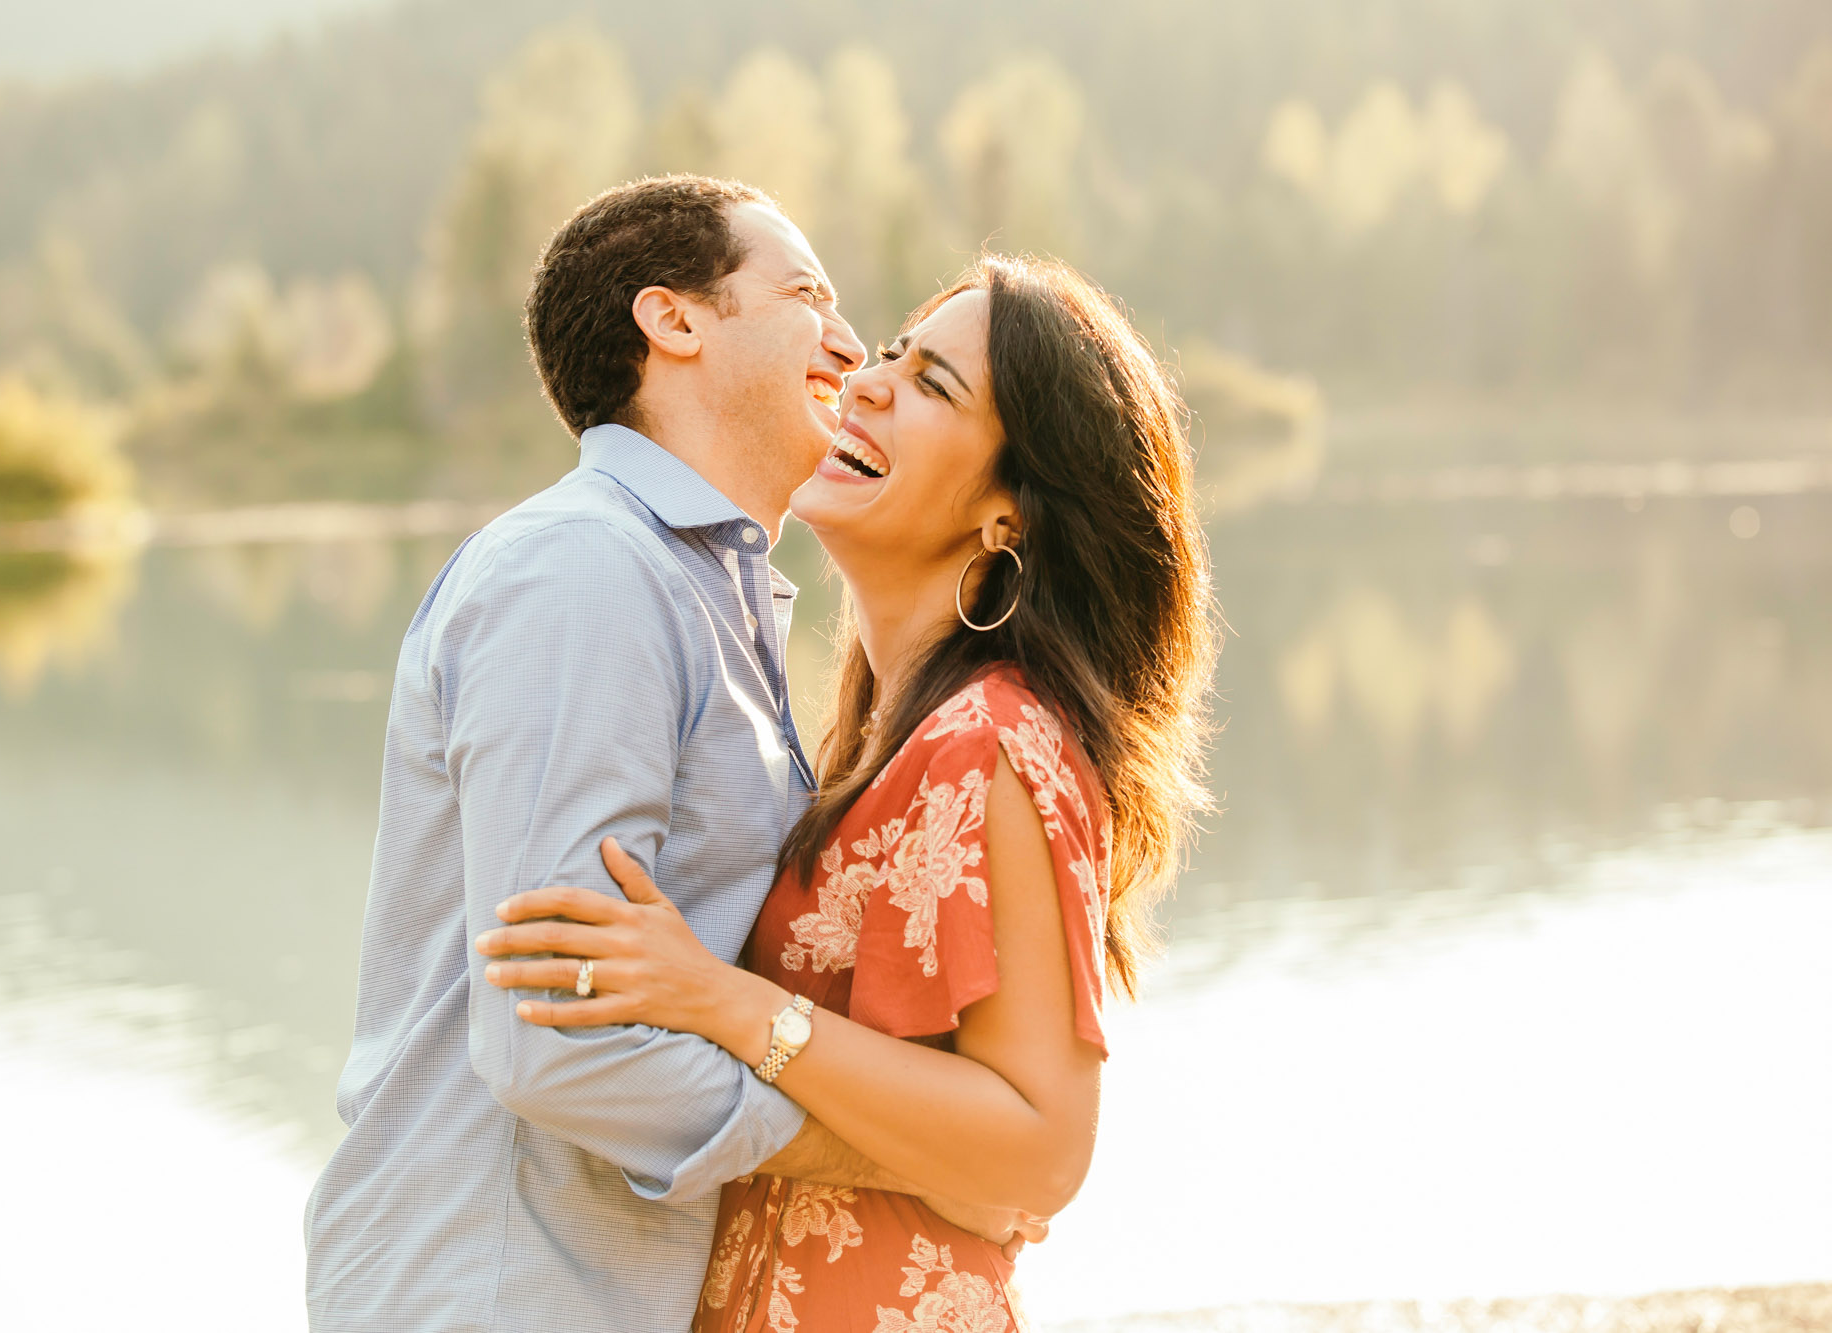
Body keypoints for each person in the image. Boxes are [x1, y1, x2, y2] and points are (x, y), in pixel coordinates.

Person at [305, 177, 1041, 1333]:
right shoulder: (586, 574)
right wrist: (906, 1159)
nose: (850, 346)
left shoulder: (705, 594)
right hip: (500, 1296)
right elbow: (561, 1047)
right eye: (808, 295)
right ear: (676, 322)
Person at [478, 252, 1218, 1330]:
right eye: (891, 357)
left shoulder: (996, 742)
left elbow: (1044, 1148)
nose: (867, 382)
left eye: (933, 387)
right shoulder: (873, 741)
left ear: (1009, 514)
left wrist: (719, 998)